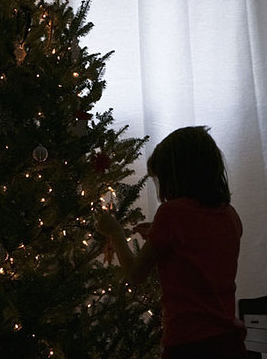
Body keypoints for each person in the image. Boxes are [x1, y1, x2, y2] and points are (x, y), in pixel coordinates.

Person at [96, 126, 247, 359]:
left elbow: (136, 274)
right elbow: (199, 248)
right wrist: (159, 236)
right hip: (229, 341)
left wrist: (115, 233)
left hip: (188, 343)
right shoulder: (230, 214)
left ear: (174, 175)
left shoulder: (171, 213)